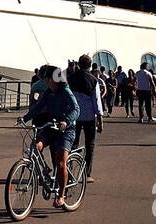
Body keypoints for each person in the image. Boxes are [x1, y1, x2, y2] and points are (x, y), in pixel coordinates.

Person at [18, 66, 79, 209]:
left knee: (61, 163)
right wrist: (25, 118)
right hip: (51, 127)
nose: (45, 81)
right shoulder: (48, 92)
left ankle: (61, 196)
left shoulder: (65, 91)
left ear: (52, 79)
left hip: (66, 130)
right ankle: (44, 170)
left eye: (46, 78)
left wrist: (66, 121)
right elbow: (38, 107)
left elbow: (76, 109)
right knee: (35, 146)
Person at [69, 55, 103, 182]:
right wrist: (100, 121)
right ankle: (87, 173)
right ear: (90, 65)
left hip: (74, 116)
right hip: (89, 117)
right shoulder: (93, 80)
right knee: (90, 144)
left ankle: (69, 170)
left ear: (78, 64)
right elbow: (97, 102)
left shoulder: (71, 79)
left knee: (73, 143)